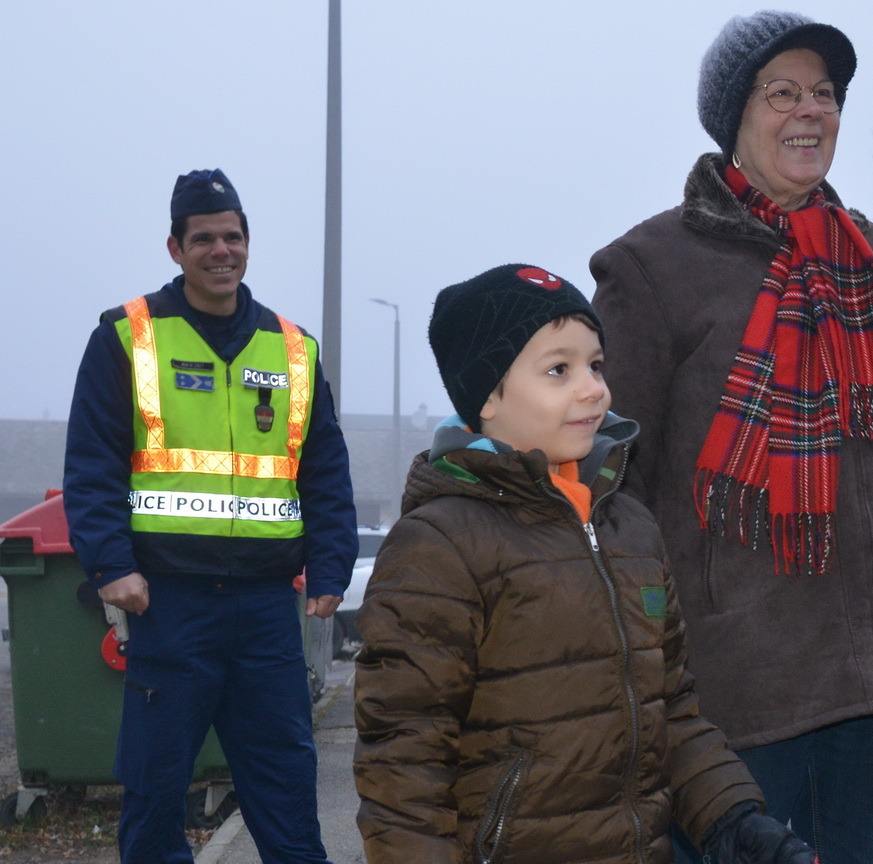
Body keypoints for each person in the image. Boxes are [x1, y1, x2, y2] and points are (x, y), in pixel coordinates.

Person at [589, 11, 873, 864]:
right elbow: (618, 486)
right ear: (733, 117)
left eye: (824, 94)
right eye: (782, 93)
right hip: (738, 685)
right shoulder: (650, 265)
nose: (810, 112)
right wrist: (646, 651)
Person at [352, 264, 817, 864]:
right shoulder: (439, 545)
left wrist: (732, 818)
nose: (594, 389)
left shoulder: (631, 530)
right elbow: (403, 762)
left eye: (596, 365)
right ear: (486, 394)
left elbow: (670, 710)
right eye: (559, 370)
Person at [63, 169, 358, 864]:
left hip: (265, 608)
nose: (220, 251)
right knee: (154, 788)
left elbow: (323, 468)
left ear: (248, 243)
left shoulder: (293, 349)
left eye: (232, 237)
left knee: (286, 789)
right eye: (203, 239)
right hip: (169, 603)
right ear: (176, 248)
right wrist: (111, 564)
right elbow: (92, 464)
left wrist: (332, 565)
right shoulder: (127, 337)